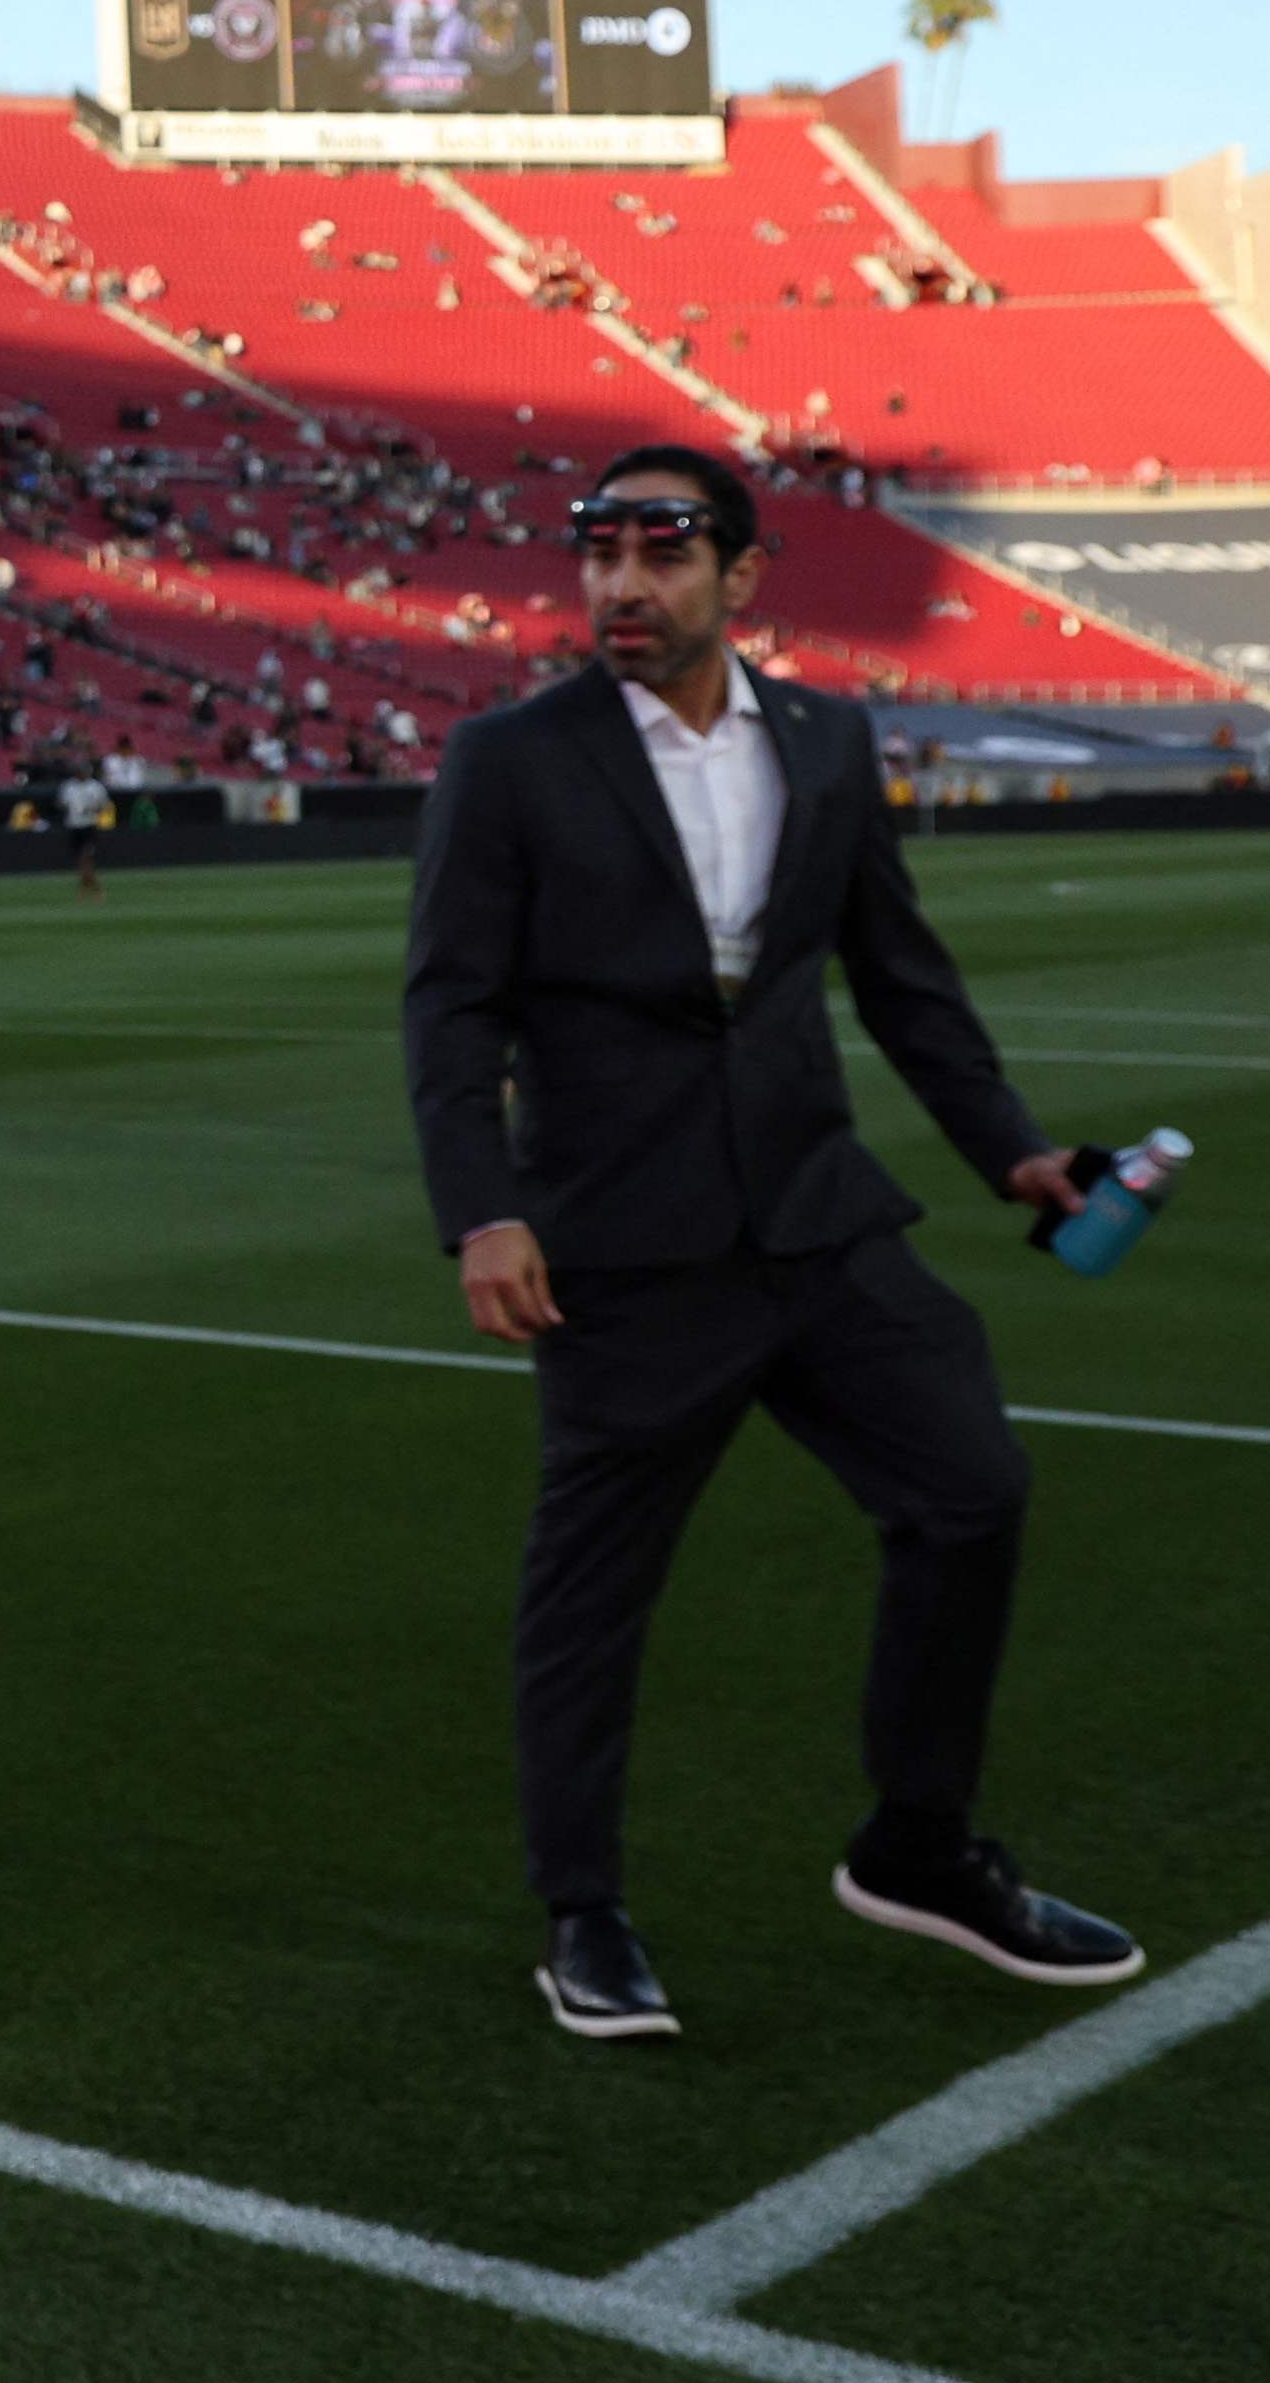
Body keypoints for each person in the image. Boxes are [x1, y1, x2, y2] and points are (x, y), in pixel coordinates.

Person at [402, 441, 1143, 2048]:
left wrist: (1011, 1148)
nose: (621, 584)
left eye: (662, 553)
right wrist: (484, 1207)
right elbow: (451, 1006)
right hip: (624, 1247)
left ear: (740, 577)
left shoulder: (822, 737)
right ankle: (583, 1912)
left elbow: (900, 974)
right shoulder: (511, 759)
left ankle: (919, 1848)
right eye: (599, 552)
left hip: (819, 1223)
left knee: (972, 1489)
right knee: (594, 1595)